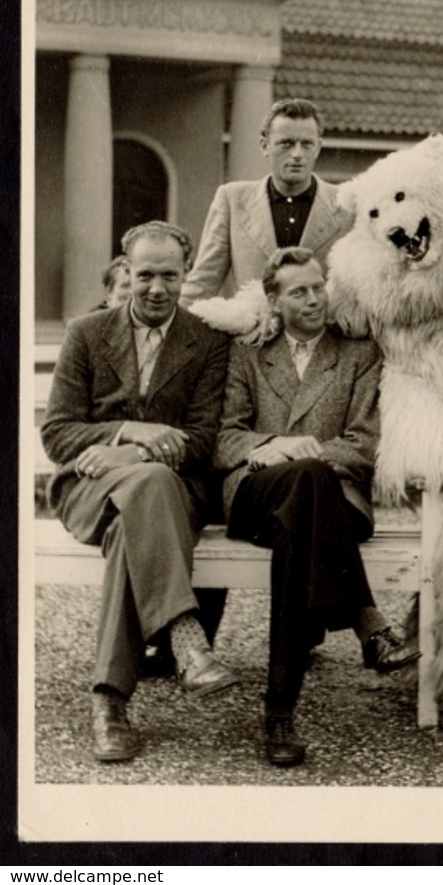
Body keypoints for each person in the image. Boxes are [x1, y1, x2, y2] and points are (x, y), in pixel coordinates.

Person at [213, 247, 419, 767]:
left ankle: (280, 712)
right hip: (257, 492)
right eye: (298, 291)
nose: (313, 300)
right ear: (273, 300)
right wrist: (273, 448)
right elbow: (224, 439)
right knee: (303, 485)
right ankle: (367, 622)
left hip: (330, 500)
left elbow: (364, 444)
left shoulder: (358, 353)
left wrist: (308, 454)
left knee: (302, 513)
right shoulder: (247, 353)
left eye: (317, 287)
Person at [41, 221, 237, 763]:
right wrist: (132, 430)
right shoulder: (87, 332)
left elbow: (202, 441)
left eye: (169, 276)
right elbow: (58, 433)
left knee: (143, 505)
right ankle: (186, 634)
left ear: (186, 275)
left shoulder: (207, 341)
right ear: (126, 270)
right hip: (90, 492)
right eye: (144, 274)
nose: (156, 288)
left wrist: (134, 453)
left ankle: (109, 702)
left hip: (172, 495)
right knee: (143, 494)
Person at [180, 98, 352, 305]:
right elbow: (203, 284)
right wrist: (170, 332)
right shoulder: (232, 200)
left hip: (320, 335)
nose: (297, 154)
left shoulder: (347, 204)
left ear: (318, 147)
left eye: (306, 144)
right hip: (253, 334)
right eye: (286, 144)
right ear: (265, 145)